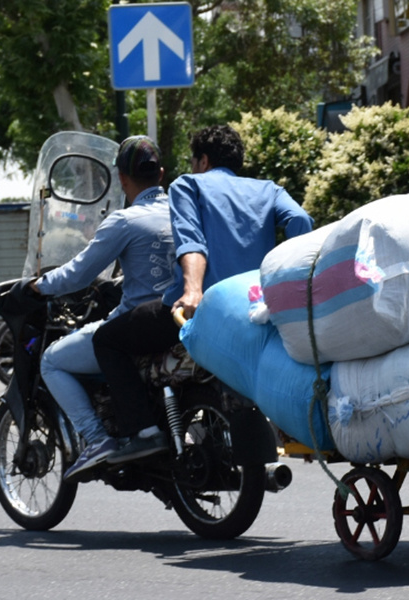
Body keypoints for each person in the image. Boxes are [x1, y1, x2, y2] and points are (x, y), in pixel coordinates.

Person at [93, 124, 314, 464]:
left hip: (205, 309)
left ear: (203, 160)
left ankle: (143, 432)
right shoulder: (268, 189)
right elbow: (300, 220)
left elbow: (191, 240)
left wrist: (193, 290)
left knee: (107, 339)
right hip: (255, 308)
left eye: (194, 160)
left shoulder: (188, 185)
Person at [30, 135, 174, 482]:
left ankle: (96, 441)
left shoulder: (124, 221)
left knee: (51, 360)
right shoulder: (185, 213)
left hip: (140, 326)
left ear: (122, 179)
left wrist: (38, 286)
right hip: (185, 318)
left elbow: (79, 273)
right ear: (162, 174)